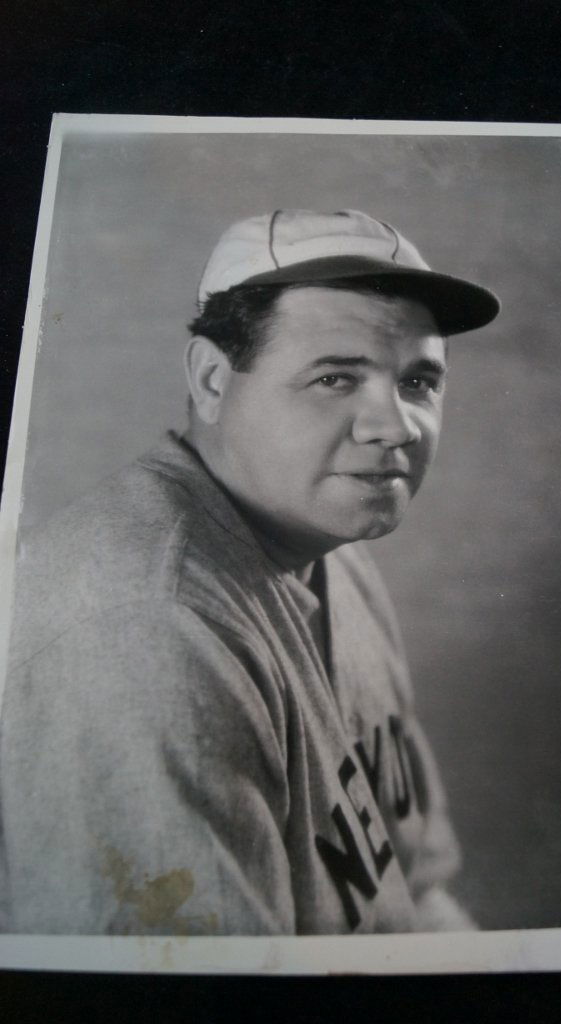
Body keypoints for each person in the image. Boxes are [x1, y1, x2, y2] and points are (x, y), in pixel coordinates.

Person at [0, 209, 499, 935]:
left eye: (419, 381)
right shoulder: (144, 630)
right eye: (336, 377)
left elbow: (417, 892)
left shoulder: (334, 550)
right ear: (210, 379)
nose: (394, 427)